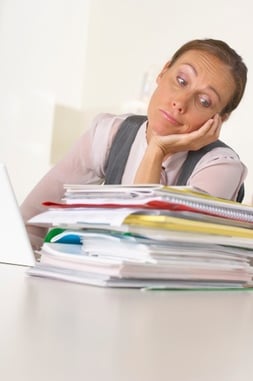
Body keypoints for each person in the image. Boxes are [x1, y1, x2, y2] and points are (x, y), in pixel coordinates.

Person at [21, 38, 248, 249]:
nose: (180, 102)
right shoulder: (110, 133)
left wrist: (157, 151)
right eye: (181, 81)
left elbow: (144, 251)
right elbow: (30, 223)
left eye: (204, 101)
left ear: (219, 119)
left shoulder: (220, 168)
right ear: (163, 73)